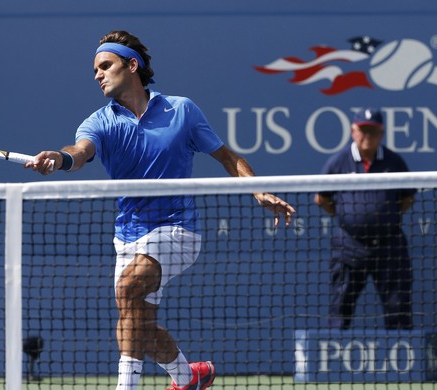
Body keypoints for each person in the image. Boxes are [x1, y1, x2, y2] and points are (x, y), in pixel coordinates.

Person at [27, 30, 295, 390]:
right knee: (138, 321)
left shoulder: (181, 110)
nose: (97, 75)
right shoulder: (99, 122)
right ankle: (190, 377)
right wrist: (59, 160)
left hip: (178, 230)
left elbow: (229, 157)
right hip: (128, 237)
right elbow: (79, 152)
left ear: (131, 65)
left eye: (105, 66)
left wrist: (258, 190)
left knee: (127, 290)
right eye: (95, 69)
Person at [314, 108, 416, 330]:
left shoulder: (394, 162)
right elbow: (321, 199)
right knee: (340, 309)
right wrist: (347, 218)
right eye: (363, 131)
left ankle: (402, 362)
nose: (367, 136)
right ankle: (333, 359)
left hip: (390, 248)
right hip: (348, 249)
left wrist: (384, 218)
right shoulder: (338, 162)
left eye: (373, 131)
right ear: (353, 131)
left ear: (381, 134)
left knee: (398, 310)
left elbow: (408, 198)